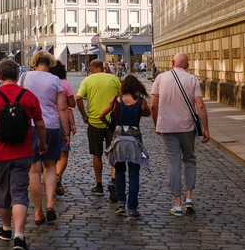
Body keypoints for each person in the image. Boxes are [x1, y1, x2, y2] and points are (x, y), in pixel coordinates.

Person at [0, 59, 47, 250]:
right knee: (20, 193)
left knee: (3, 191)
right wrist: (42, 143)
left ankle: (6, 230)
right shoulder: (28, 96)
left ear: (0, 75)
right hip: (23, 153)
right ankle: (19, 236)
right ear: (17, 75)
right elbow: (39, 124)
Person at [151, 52, 210, 216]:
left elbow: (153, 105)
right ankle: (189, 198)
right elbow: (200, 106)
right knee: (190, 159)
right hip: (188, 127)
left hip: (167, 128)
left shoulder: (160, 78)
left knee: (173, 164)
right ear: (187, 65)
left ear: (172, 63)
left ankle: (177, 205)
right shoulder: (192, 79)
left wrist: (156, 124)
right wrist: (206, 128)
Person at [18, 51, 69, 224]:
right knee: (50, 166)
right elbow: (62, 108)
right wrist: (66, 132)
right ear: (50, 63)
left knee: (34, 170)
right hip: (51, 126)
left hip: (30, 125)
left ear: (34, 62)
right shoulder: (55, 80)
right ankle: (50, 203)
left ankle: (38, 212)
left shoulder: (24, 77)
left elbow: (17, 100)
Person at [100, 75, 151, 219]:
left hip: (118, 140)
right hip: (134, 141)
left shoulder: (116, 100)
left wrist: (111, 126)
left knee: (120, 172)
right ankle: (133, 209)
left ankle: (121, 203)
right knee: (134, 174)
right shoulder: (141, 101)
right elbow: (148, 112)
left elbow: (101, 115)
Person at [76, 59, 121, 201]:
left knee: (97, 154)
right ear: (103, 68)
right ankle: (114, 181)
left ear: (91, 68)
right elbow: (121, 97)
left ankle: (99, 185)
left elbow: (78, 98)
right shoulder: (114, 79)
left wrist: (84, 115)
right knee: (113, 153)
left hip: (95, 121)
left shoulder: (88, 80)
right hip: (112, 122)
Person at [48, 63, 75, 196]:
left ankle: (49, 177)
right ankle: (57, 176)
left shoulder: (46, 83)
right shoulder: (65, 84)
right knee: (63, 153)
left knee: (49, 153)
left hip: (47, 119)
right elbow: (72, 104)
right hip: (62, 119)